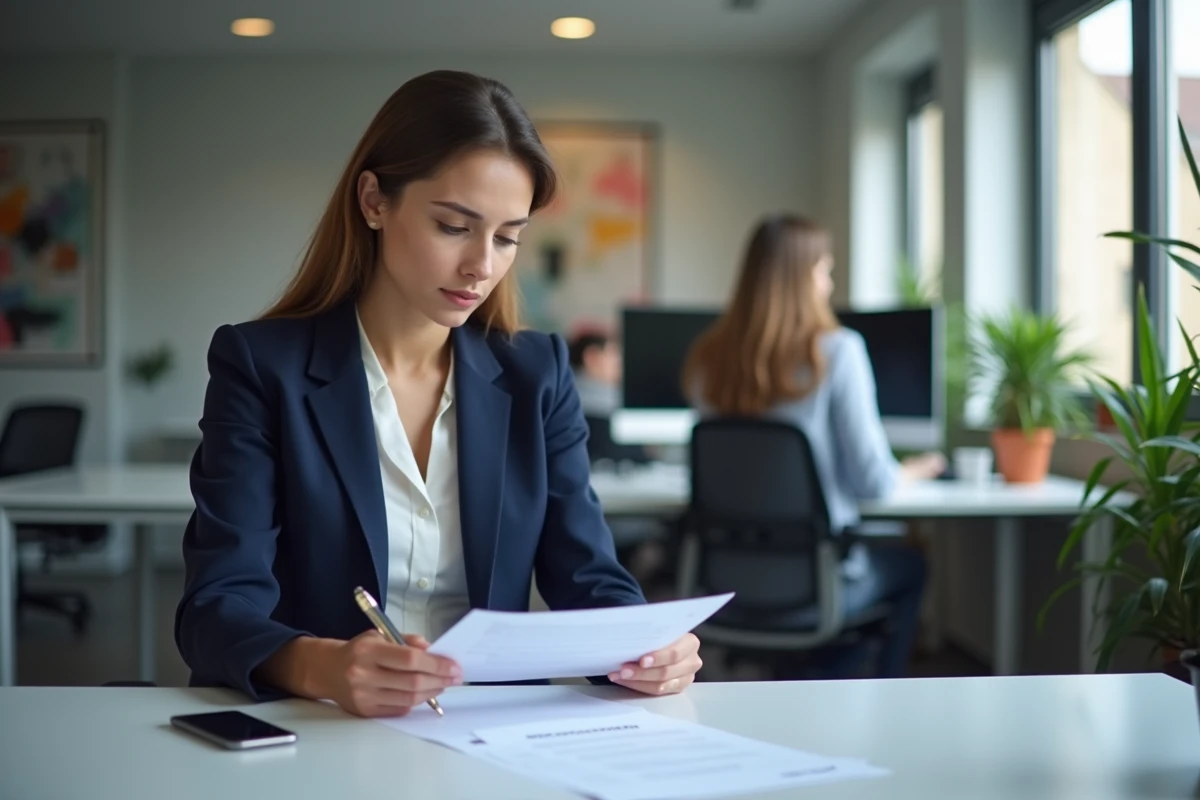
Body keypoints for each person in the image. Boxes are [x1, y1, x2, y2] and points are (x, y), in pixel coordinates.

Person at [174, 70, 701, 718]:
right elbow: (216, 608)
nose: (482, 264)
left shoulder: (538, 375)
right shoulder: (261, 366)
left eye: (508, 237)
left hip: (490, 734)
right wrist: (323, 666)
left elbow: (588, 576)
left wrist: (645, 646)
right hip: (317, 726)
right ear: (373, 201)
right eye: (455, 226)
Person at [682, 213, 945, 679]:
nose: (827, 285)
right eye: (824, 271)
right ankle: (864, 686)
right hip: (818, 585)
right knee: (911, 566)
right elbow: (874, 483)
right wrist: (915, 471)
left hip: (723, 585)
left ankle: (822, 666)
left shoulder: (708, 357)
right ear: (802, 278)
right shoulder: (839, 351)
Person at [567, 329, 623, 418]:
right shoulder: (613, 401)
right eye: (613, 353)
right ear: (592, 356)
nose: (620, 362)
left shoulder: (563, 390)